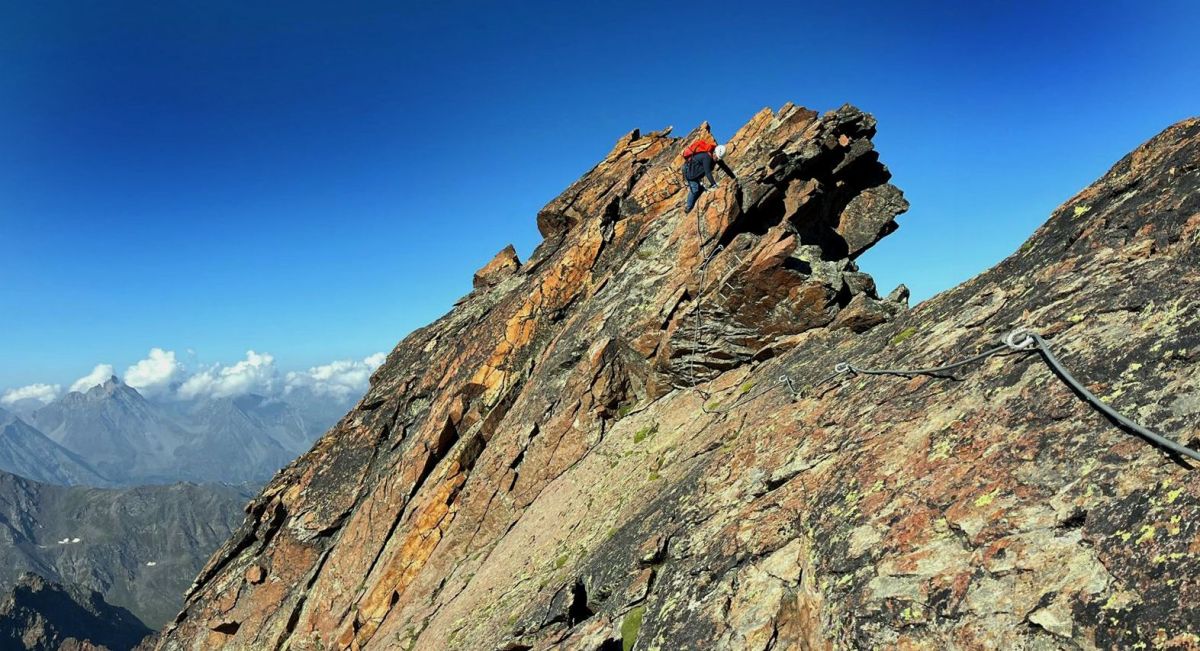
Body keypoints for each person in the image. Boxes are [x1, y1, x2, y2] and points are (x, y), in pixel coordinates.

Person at [682, 141, 735, 213]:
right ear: (714, 153)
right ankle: (688, 207)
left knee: (700, 190)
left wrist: (733, 177)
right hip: (689, 172)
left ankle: (694, 205)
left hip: (695, 172)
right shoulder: (706, 157)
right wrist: (714, 184)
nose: (717, 159)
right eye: (717, 157)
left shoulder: (715, 157)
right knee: (695, 189)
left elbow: (725, 167)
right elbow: (708, 172)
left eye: (718, 158)